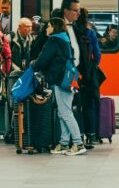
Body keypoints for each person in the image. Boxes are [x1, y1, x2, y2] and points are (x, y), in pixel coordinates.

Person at [32, 17, 86, 156]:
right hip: (68, 79)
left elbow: (43, 60)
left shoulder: (54, 41)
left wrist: (33, 65)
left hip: (60, 79)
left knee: (65, 112)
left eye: (49, 26)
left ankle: (78, 143)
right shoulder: (65, 39)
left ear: (54, 27)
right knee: (63, 112)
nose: (46, 29)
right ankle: (63, 143)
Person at [75, 7, 103, 147]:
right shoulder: (90, 33)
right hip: (89, 74)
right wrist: (92, 67)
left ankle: (77, 134)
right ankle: (91, 135)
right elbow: (97, 55)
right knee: (90, 105)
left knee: (74, 105)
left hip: (75, 73)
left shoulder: (72, 32)